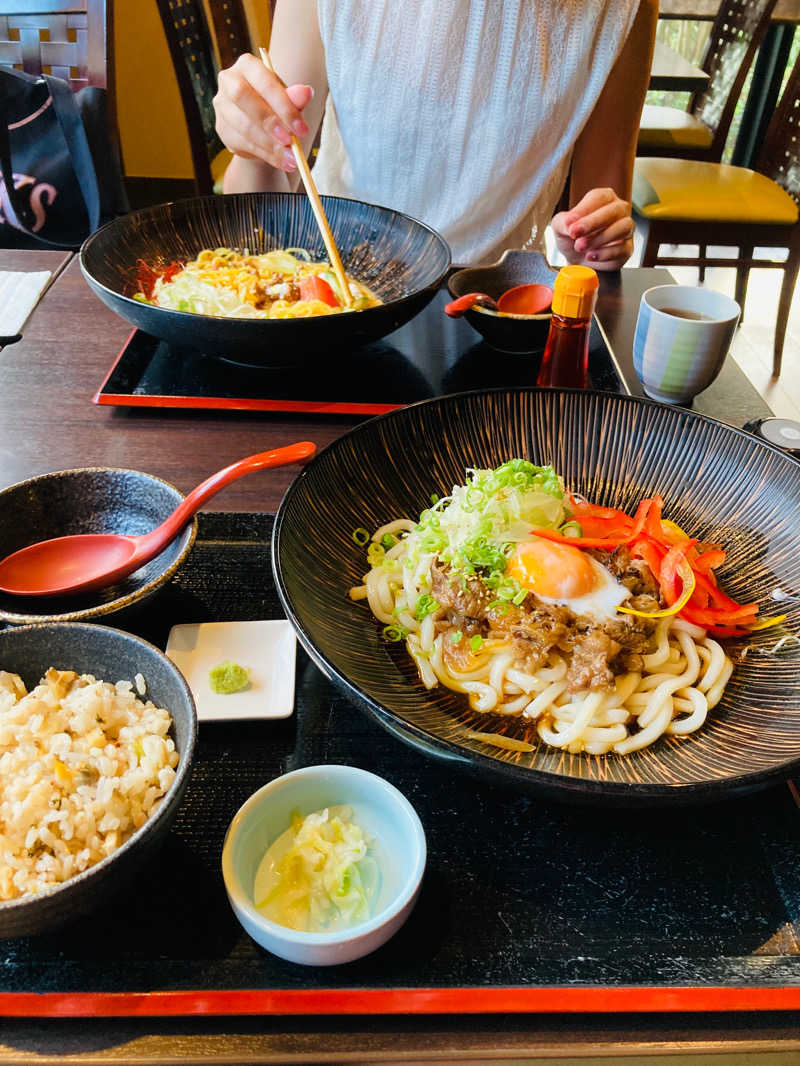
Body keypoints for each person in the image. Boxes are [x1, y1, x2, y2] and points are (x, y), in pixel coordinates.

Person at [213, 0, 657, 269]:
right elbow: (257, 206)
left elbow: (598, 220)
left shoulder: (620, 10)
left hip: (490, 309)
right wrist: (249, 141)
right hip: (334, 285)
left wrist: (596, 238)